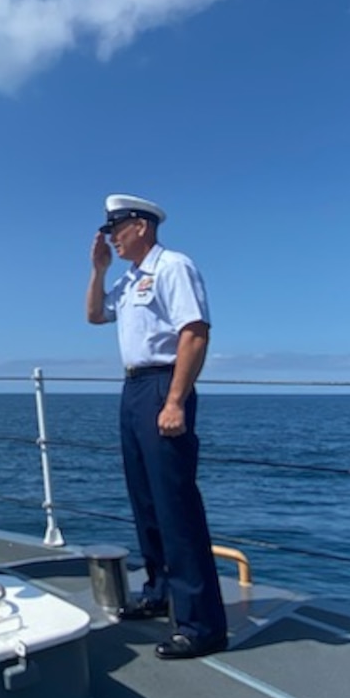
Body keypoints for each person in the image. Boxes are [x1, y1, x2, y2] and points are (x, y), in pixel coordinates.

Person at [85, 194, 229, 659]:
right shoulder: (129, 280)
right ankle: (160, 590)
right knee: (145, 500)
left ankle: (202, 624)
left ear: (141, 226)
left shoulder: (173, 267)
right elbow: (93, 315)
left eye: (115, 229)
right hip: (133, 389)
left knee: (176, 505)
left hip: (163, 384)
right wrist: (99, 269)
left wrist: (175, 401)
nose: (111, 237)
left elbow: (194, 332)